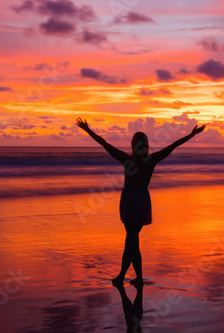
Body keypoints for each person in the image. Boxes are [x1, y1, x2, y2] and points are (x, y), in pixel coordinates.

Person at [76, 117, 205, 288]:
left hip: (130, 198)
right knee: (132, 239)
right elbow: (173, 146)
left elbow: (105, 144)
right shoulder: (151, 159)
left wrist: (87, 129)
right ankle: (135, 277)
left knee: (131, 239)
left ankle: (124, 277)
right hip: (142, 199)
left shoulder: (127, 159)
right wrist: (191, 134)